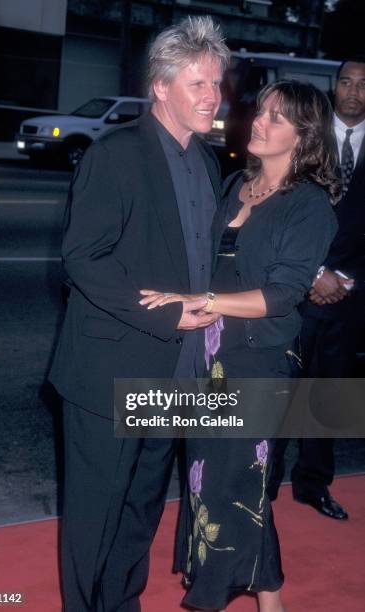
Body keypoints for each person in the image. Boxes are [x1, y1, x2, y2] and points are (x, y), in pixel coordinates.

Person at [48, 16, 230, 612]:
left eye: (217, 84)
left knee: (141, 509)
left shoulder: (206, 161)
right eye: (199, 84)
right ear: (161, 86)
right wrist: (167, 314)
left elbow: (200, 260)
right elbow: (82, 257)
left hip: (179, 372)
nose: (214, 96)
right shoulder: (117, 154)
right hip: (111, 371)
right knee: (95, 515)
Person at [139, 80, 339, 611]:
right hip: (206, 354)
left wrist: (201, 298)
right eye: (263, 111)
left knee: (231, 483)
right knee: (217, 481)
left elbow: (280, 296)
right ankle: (271, 602)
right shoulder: (234, 185)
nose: (261, 121)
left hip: (257, 360)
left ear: (305, 137)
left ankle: (210, 599)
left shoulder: (310, 207)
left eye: (278, 118)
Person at [268, 57, 365, 520]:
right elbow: (277, 205)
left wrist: (349, 279)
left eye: (364, 84)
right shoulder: (305, 137)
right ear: (334, 86)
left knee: (331, 394)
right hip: (295, 286)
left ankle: (313, 484)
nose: (353, 91)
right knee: (281, 391)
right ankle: (262, 485)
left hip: (349, 297)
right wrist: (313, 272)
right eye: (345, 81)